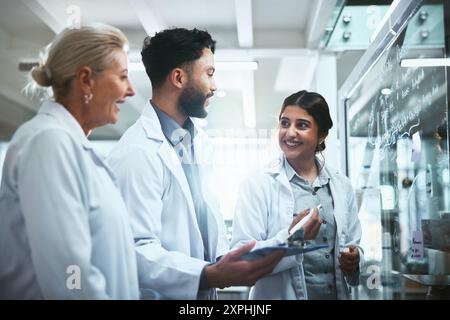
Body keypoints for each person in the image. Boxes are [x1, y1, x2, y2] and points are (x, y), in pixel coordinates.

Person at [107, 27, 283, 300]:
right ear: (178, 77)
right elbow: (134, 250)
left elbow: (206, 224)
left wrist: (230, 259)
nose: (215, 86)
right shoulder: (136, 152)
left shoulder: (199, 143)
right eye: (209, 73)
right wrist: (208, 274)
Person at [0, 24, 139, 299]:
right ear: (86, 79)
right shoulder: (48, 143)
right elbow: (69, 275)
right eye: (123, 77)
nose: (131, 90)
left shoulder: (70, 145)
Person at [231, 90, 364, 300]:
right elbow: (242, 257)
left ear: (322, 134)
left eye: (301, 125)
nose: (289, 133)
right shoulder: (258, 184)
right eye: (284, 123)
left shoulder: (342, 185)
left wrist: (356, 261)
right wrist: (293, 239)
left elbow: (354, 243)